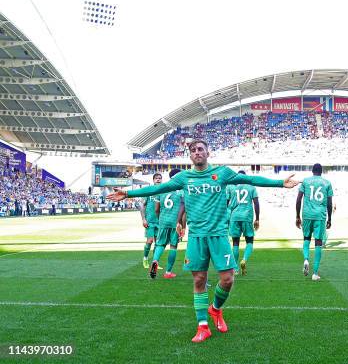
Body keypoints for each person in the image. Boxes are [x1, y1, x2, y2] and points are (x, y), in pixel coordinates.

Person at [107, 140, 300, 343]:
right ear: (190, 156)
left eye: (200, 149)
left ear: (208, 152)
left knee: (227, 279)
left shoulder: (222, 173)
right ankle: (203, 326)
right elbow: (158, 189)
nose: (197, 152)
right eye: (193, 150)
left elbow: (251, 179)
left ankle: (215, 310)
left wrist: (280, 183)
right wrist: (128, 193)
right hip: (197, 237)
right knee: (199, 280)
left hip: (218, 235)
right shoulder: (183, 178)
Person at [296, 163, 333, 281]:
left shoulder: (305, 182)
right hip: (320, 216)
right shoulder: (327, 183)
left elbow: (298, 199)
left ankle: (306, 259)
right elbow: (329, 203)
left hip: (307, 214)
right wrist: (330, 219)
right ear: (321, 172)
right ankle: (315, 273)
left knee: (306, 239)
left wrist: (297, 216)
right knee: (318, 242)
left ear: (312, 171)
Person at [149, 168, 185, 279]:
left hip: (163, 221)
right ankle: (168, 272)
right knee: (173, 246)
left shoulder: (163, 188)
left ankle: (155, 261)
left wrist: (161, 219)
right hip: (176, 222)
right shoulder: (181, 190)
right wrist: (183, 226)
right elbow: (183, 209)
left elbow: (156, 209)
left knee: (160, 244)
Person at [226, 171, 259, 276]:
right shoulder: (251, 187)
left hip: (234, 216)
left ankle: (235, 268)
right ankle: (244, 259)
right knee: (249, 241)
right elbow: (256, 203)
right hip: (247, 216)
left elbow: (226, 203)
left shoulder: (232, 188)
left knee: (235, 242)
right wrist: (257, 218)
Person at [140, 173, 161, 269]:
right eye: (156, 178)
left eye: (160, 178)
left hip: (160, 222)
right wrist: (143, 219)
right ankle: (145, 258)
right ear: (153, 180)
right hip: (150, 221)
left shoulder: (163, 191)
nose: (158, 180)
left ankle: (155, 263)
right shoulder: (149, 191)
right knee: (150, 241)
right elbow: (142, 205)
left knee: (158, 243)